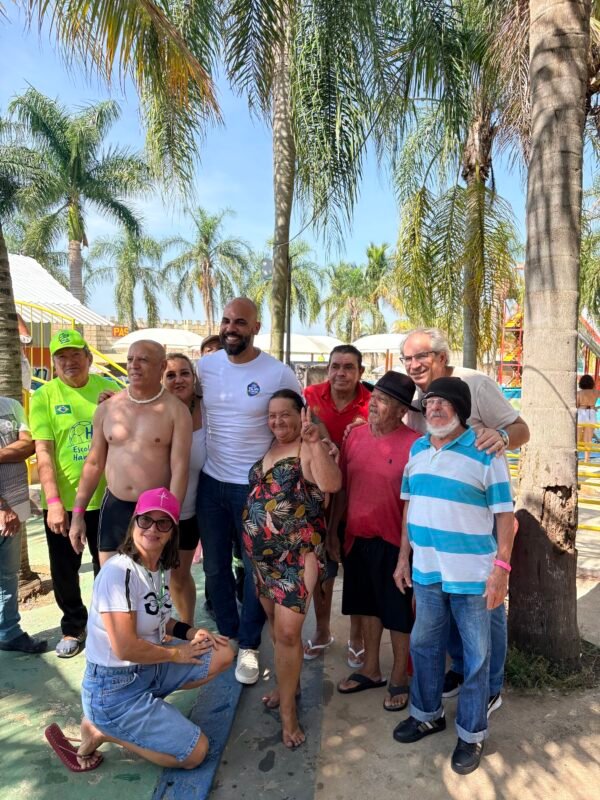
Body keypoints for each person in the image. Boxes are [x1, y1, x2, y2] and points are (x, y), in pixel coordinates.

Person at [44, 487, 234, 773]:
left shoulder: (158, 567)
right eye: (146, 520)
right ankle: (103, 730)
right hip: (114, 688)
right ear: (134, 522)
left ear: (172, 531)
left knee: (223, 652)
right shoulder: (118, 573)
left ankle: (146, 709)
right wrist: (177, 654)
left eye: (163, 523)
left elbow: (159, 618)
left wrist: (190, 632)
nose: (152, 529)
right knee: (194, 754)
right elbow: (125, 648)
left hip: (149, 667)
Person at [400, 327, 530, 711]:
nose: (413, 365)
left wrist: (501, 437)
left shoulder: (475, 383)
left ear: (442, 357)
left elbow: (522, 429)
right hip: (441, 523)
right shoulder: (418, 397)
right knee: (447, 598)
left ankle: (490, 687)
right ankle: (459, 668)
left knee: (486, 608)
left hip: (481, 513)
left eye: (421, 356)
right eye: (407, 359)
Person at [393, 378, 515, 775]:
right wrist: (403, 558)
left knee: (476, 658)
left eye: (443, 403)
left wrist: (501, 570)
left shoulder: (485, 452)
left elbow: (505, 517)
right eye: (429, 402)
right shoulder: (417, 449)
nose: (434, 409)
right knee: (424, 646)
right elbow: (410, 509)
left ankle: (471, 734)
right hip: (427, 571)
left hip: (474, 577)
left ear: (460, 410)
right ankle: (426, 714)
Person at [196, 297, 301, 686]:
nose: (230, 328)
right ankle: (229, 635)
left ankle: (249, 644)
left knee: (256, 569)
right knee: (214, 567)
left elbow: (301, 417)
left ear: (256, 327)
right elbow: (171, 395)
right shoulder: (205, 367)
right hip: (211, 483)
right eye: (226, 320)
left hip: (256, 489)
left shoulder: (277, 373)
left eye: (240, 322)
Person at [243, 390, 341, 747]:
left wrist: (315, 442)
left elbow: (331, 484)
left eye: (285, 414)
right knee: (275, 626)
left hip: (297, 555)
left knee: (287, 634)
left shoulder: (310, 446)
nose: (277, 421)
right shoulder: (269, 447)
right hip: (262, 558)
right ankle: (289, 686)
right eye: (272, 415)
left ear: (301, 415)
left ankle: (288, 716)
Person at [334, 373, 420, 712]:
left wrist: (405, 554)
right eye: (374, 398)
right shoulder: (354, 436)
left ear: (401, 411)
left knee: (397, 613)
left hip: (397, 542)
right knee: (366, 606)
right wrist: (334, 532)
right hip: (358, 537)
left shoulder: (416, 445)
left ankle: (399, 675)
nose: (374, 405)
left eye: (383, 401)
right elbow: (342, 489)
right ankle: (371, 669)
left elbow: (417, 503)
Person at [29, 330, 116, 658]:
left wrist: (117, 405)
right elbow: (44, 453)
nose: (70, 362)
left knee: (108, 566)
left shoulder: (109, 389)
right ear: (54, 363)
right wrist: (53, 503)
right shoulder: (44, 396)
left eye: (75, 354)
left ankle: (106, 624)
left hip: (108, 498)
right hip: (64, 502)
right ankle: (73, 626)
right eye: (61, 357)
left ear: (88, 358)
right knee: (65, 569)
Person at [69, 340, 192, 565]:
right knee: (110, 577)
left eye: (143, 360)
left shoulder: (176, 411)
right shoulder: (107, 408)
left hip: (155, 512)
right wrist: (78, 514)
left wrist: (169, 518)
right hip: (115, 506)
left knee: (150, 581)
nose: (134, 365)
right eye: (130, 359)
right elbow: (94, 463)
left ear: (162, 366)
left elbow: (180, 469)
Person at [303, 345, 371, 667]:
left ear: (360, 372)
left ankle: (356, 636)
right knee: (323, 570)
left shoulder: (371, 402)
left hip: (360, 495)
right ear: (328, 368)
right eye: (335, 366)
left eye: (348, 367)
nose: (340, 373)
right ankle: (322, 630)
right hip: (323, 496)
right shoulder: (311, 396)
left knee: (357, 568)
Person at [0, 395, 47, 654]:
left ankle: (9, 632)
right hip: (4, 509)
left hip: (15, 508)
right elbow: (19, 447)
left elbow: (29, 445)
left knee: (8, 575)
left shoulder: (12, 406)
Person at [162, 353, 205, 624]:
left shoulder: (208, 408)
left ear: (194, 377)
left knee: (178, 574)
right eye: (170, 375)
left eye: (184, 373)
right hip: (158, 508)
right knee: (151, 575)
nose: (178, 380)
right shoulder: (153, 408)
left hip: (191, 509)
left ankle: (187, 627)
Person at [577, 374, 598, 463]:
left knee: (577, 438)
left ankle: (575, 458)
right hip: (591, 413)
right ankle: (587, 460)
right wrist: (596, 407)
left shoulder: (579, 393)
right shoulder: (596, 392)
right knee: (588, 439)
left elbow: (576, 405)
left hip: (581, 413)